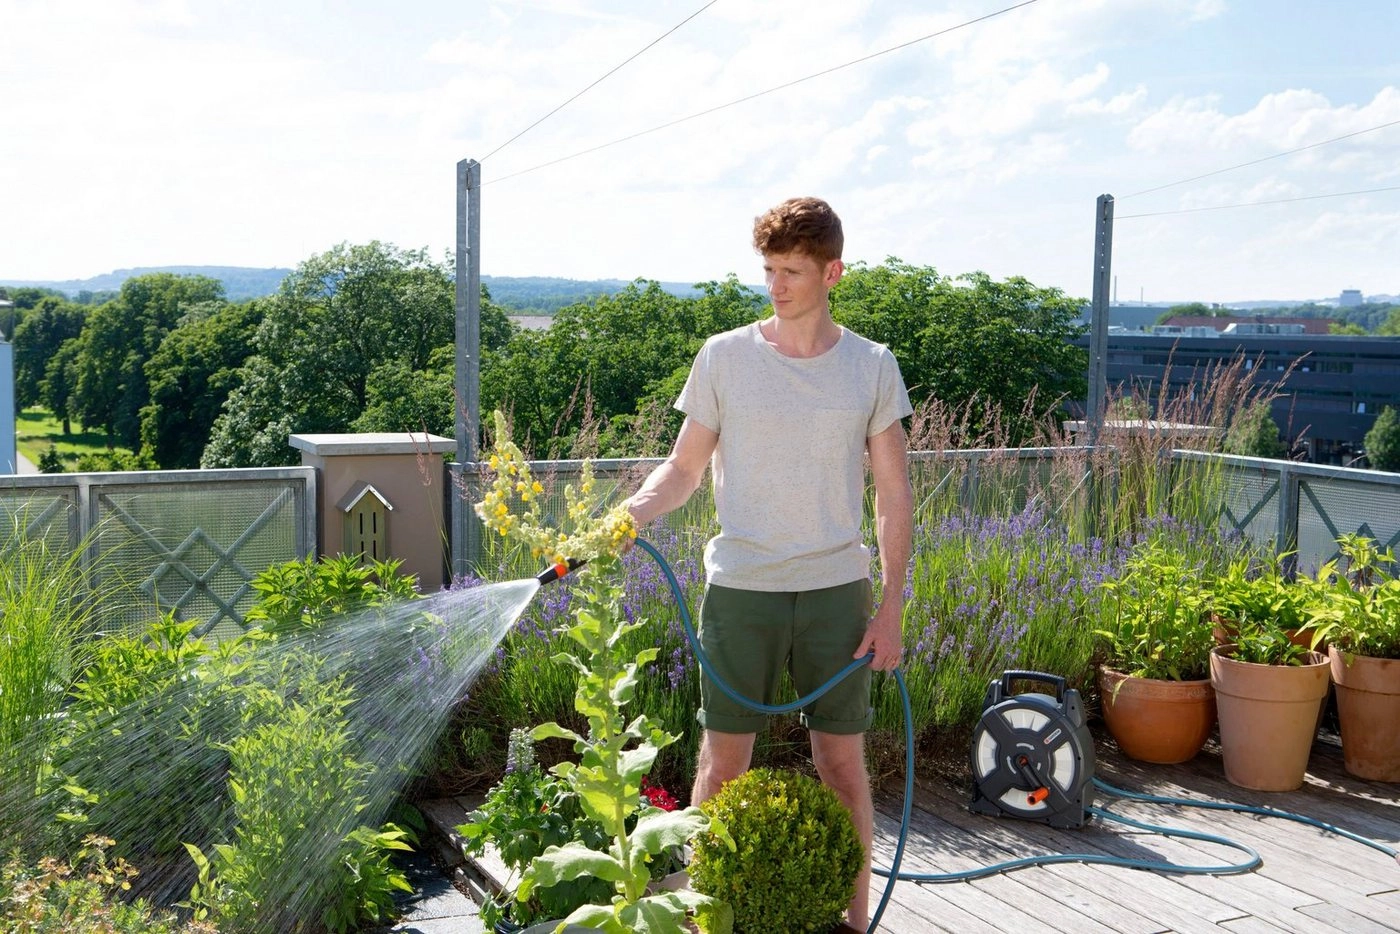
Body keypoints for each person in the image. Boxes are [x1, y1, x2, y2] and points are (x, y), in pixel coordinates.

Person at [624, 196, 914, 929]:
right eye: (769, 269)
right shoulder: (724, 357)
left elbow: (892, 498)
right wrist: (629, 514)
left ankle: (855, 922)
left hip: (835, 594)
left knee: (842, 768)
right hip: (741, 592)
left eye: (792, 270)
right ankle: (698, 918)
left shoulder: (871, 367)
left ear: (832, 272)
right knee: (721, 768)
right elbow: (683, 470)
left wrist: (890, 607)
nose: (776, 285)